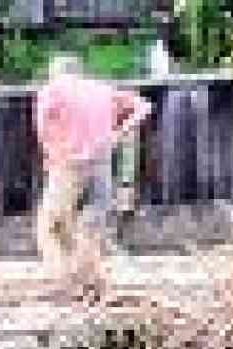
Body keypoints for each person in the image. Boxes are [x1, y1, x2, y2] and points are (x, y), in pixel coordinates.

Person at [33, 55, 152, 298]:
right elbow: (143, 107)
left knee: (51, 224)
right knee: (90, 222)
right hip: (101, 160)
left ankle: (65, 280)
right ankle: (91, 279)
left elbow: (43, 125)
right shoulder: (102, 89)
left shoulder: (52, 89)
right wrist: (120, 132)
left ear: (55, 72)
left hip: (69, 161)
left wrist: (49, 153)